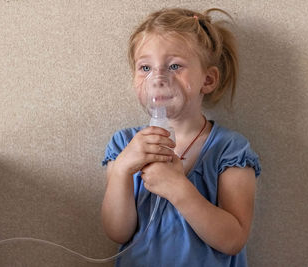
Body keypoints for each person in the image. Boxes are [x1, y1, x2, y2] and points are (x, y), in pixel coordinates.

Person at [101, 7, 261, 267]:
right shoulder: (123, 145)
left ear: (207, 80)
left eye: (174, 65)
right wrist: (121, 170)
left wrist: (178, 188)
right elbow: (117, 232)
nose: (158, 78)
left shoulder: (230, 150)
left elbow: (234, 240)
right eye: (145, 67)